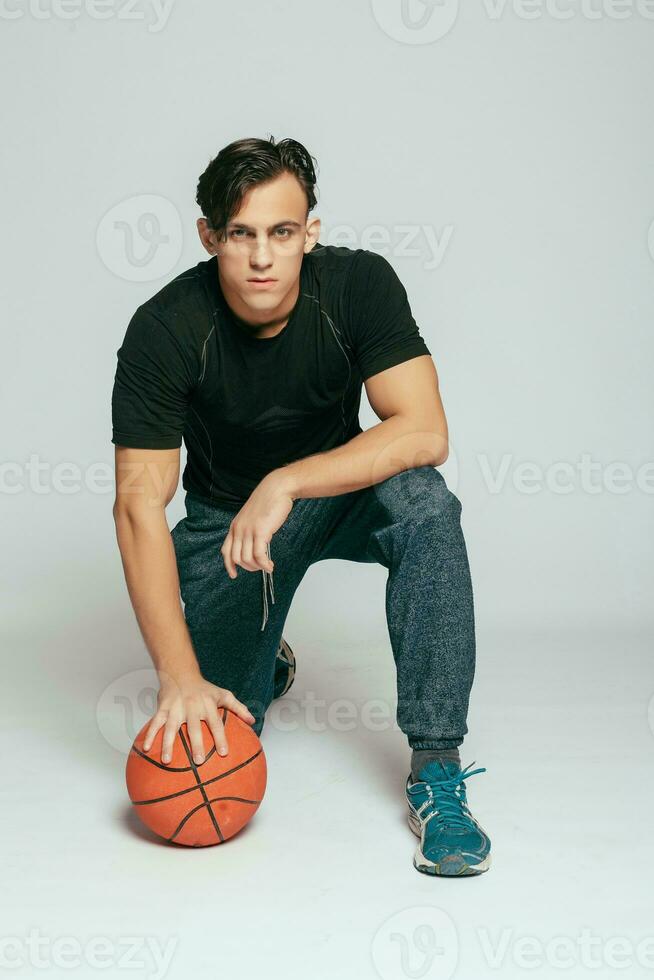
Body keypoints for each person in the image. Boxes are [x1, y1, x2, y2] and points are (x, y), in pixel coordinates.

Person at [111, 135, 491, 877]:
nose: (262, 258)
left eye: (282, 233)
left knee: (426, 507)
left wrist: (284, 482)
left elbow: (424, 431)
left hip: (332, 493)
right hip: (232, 532)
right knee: (223, 715)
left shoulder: (358, 286)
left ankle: (437, 766)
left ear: (309, 232)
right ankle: (264, 659)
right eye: (242, 235)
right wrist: (178, 676)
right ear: (209, 236)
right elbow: (136, 506)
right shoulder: (165, 329)